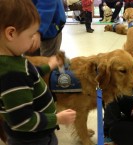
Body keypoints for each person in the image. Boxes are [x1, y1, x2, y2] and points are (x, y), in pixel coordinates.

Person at [0, 0, 76, 145]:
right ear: (11, 33)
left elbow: (30, 74)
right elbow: (23, 121)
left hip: (37, 133)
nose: (33, 41)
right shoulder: (13, 76)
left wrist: (50, 65)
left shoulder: (12, 59)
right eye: (30, 35)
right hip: (33, 139)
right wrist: (58, 119)